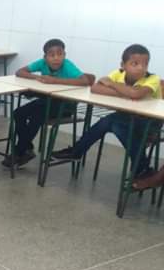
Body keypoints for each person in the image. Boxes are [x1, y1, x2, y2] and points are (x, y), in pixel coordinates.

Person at [52, 44, 161, 178]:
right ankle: (141, 169)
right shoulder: (118, 73)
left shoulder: (152, 79)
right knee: (113, 123)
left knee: (111, 122)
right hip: (126, 117)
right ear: (123, 65)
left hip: (149, 122)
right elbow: (95, 89)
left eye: (145, 64)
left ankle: (76, 151)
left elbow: (136, 94)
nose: (140, 68)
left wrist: (112, 85)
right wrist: (126, 92)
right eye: (135, 64)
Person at [2, 38, 92, 168]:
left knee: (36, 117)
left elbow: (85, 81)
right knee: (18, 113)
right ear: (45, 57)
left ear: (64, 55)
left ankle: (19, 151)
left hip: (65, 105)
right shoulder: (42, 63)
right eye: (52, 55)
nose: (56, 58)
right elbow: (20, 72)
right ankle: (27, 148)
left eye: (60, 54)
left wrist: (55, 81)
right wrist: (37, 77)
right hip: (47, 101)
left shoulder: (67, 65)